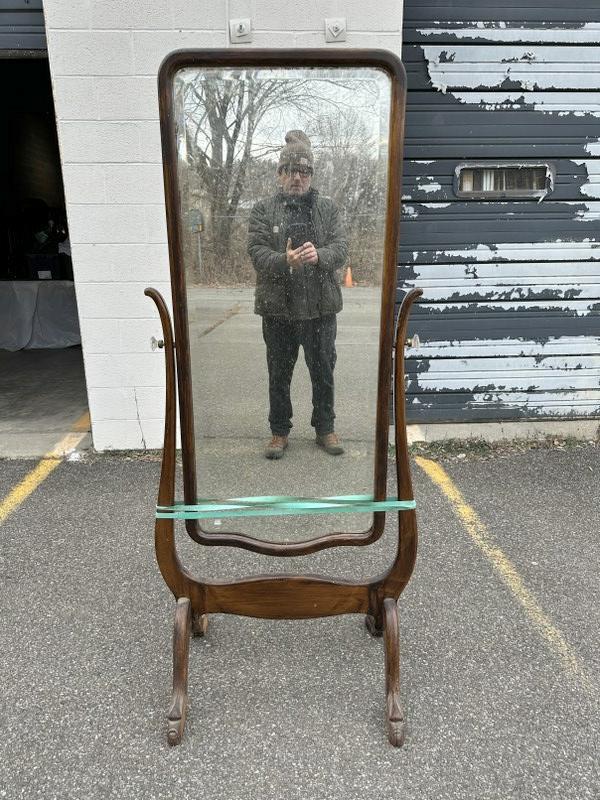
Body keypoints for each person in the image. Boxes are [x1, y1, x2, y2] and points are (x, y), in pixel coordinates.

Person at [248, 130, 349, 459]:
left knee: (323, 371)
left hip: (320, 309)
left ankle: (325, 428)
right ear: (279, 174)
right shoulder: (263, 209)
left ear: (311, 176)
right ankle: (279, 432)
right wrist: (283, 260)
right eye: (290, 171)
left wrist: (320, 256)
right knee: (278, 373)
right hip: (278, 310)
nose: (297, 178)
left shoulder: (327, 209)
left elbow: (341, 247)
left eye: (303, 172)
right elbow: (256, 251)